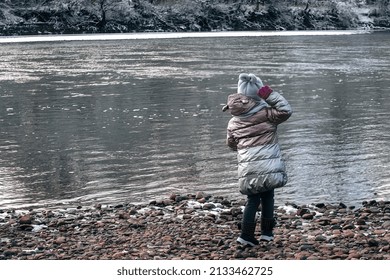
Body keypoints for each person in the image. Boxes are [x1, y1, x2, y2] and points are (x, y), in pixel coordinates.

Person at [223, 73, 292, 246]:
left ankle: (245, 236)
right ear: (258, 95)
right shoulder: (268, 114)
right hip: (269, 165)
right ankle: (267, 234)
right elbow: (286, 110)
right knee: (268, 197)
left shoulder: (233, 121)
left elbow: (231, 145)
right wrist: (268, 94)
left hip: (248, 168)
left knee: (252, 200)